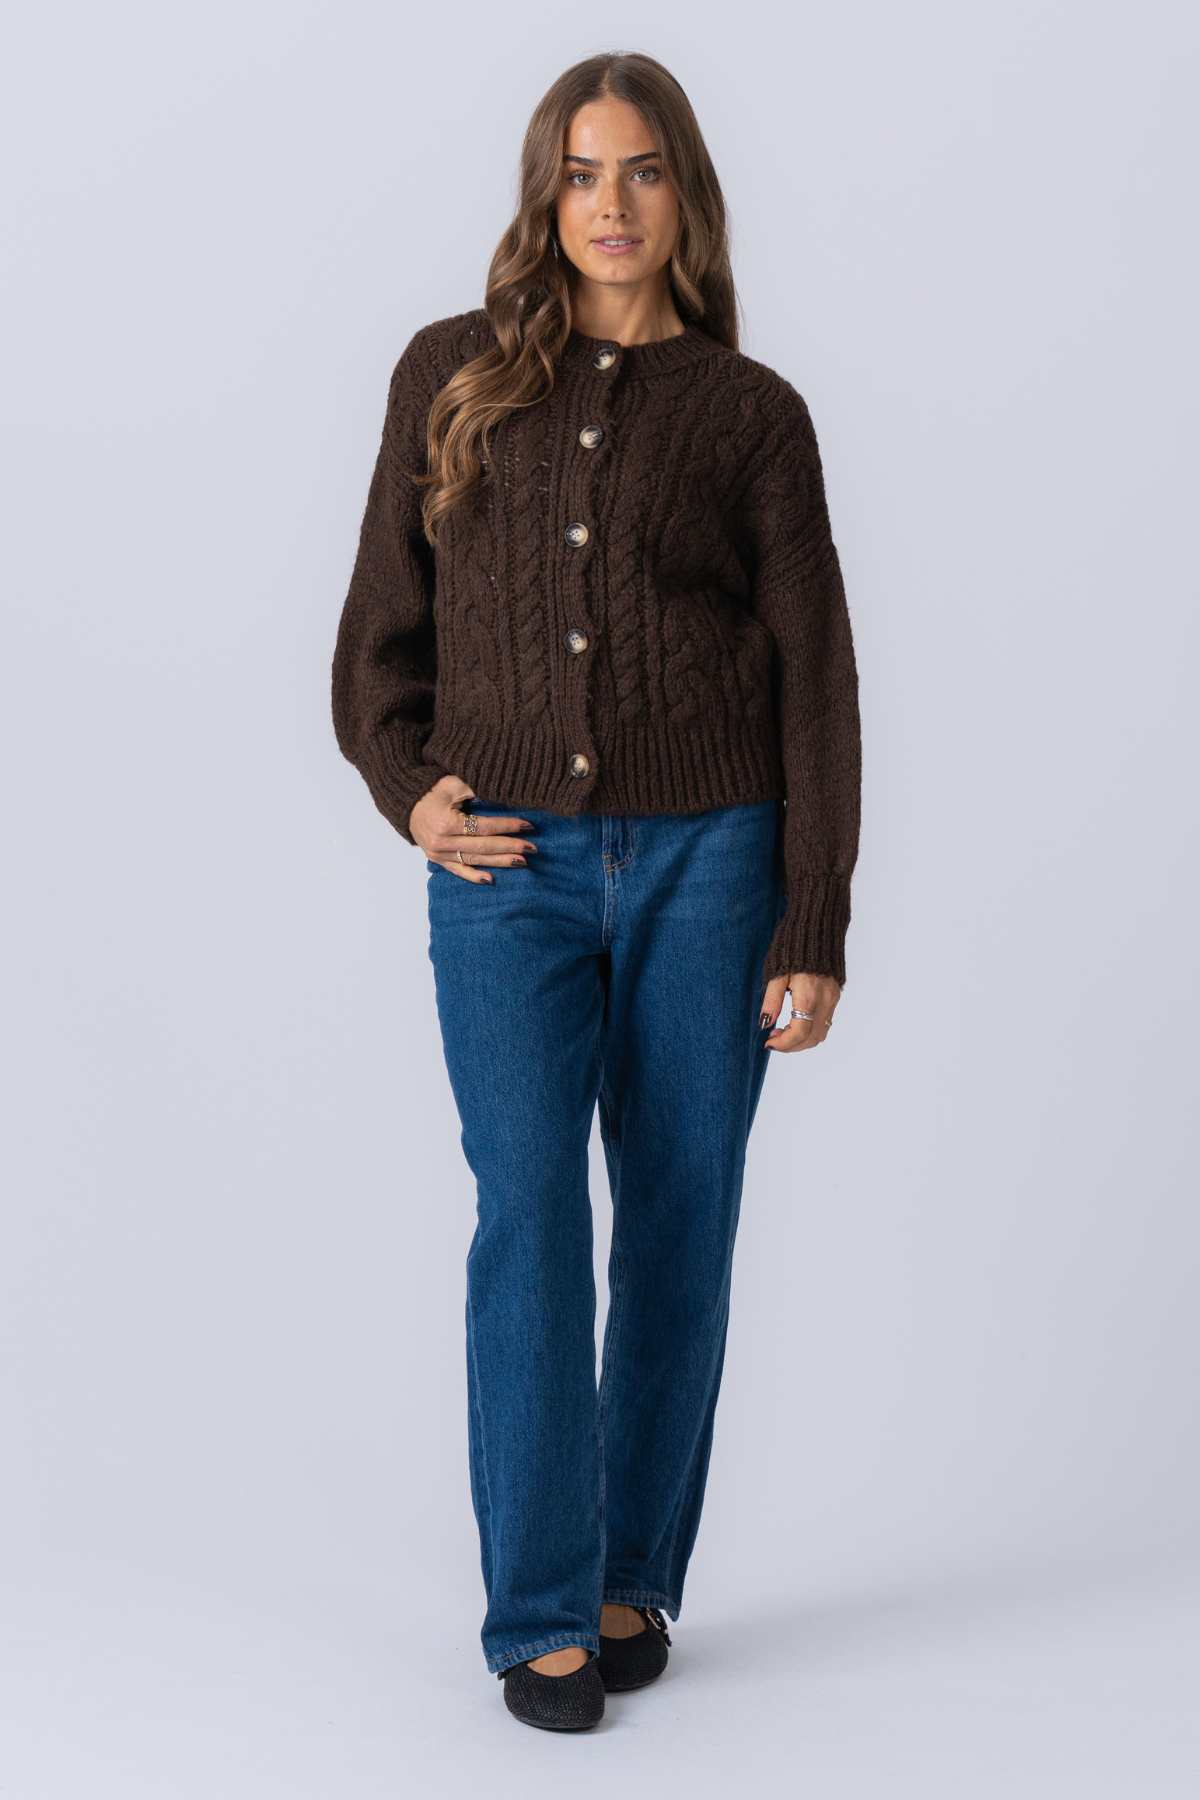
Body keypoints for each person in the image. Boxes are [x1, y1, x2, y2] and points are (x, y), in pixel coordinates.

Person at [331, 50, 860, 1732]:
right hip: (507, 870)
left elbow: (815, 677)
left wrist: (814, 914)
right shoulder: (450, 373)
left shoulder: (751, 413)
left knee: (685, 1221)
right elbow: (377, 629)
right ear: (542, 193)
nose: (610, 204)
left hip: (713, 861)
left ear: (684, 192)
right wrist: (408, 784)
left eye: (639, 171)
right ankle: (540, 1607)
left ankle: (636, 1574)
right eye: (580, 172)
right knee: (532, 1217)